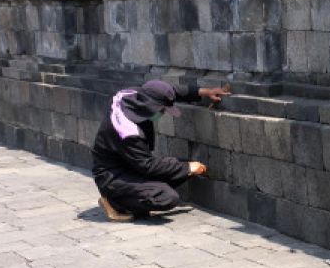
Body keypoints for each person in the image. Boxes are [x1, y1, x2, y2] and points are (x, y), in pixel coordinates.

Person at [93, 80, 230, 222]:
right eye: (162, 110)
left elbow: (172, 91)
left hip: (131, 163)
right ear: (150, 106)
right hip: (113, 177)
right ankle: (114, 202)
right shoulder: (128, 131)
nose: (164, 113)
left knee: (183, 166)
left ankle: (144, 193)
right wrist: (187, 168)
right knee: (168, 197)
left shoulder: (133, 94)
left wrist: (206, 92)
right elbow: (147, 166)